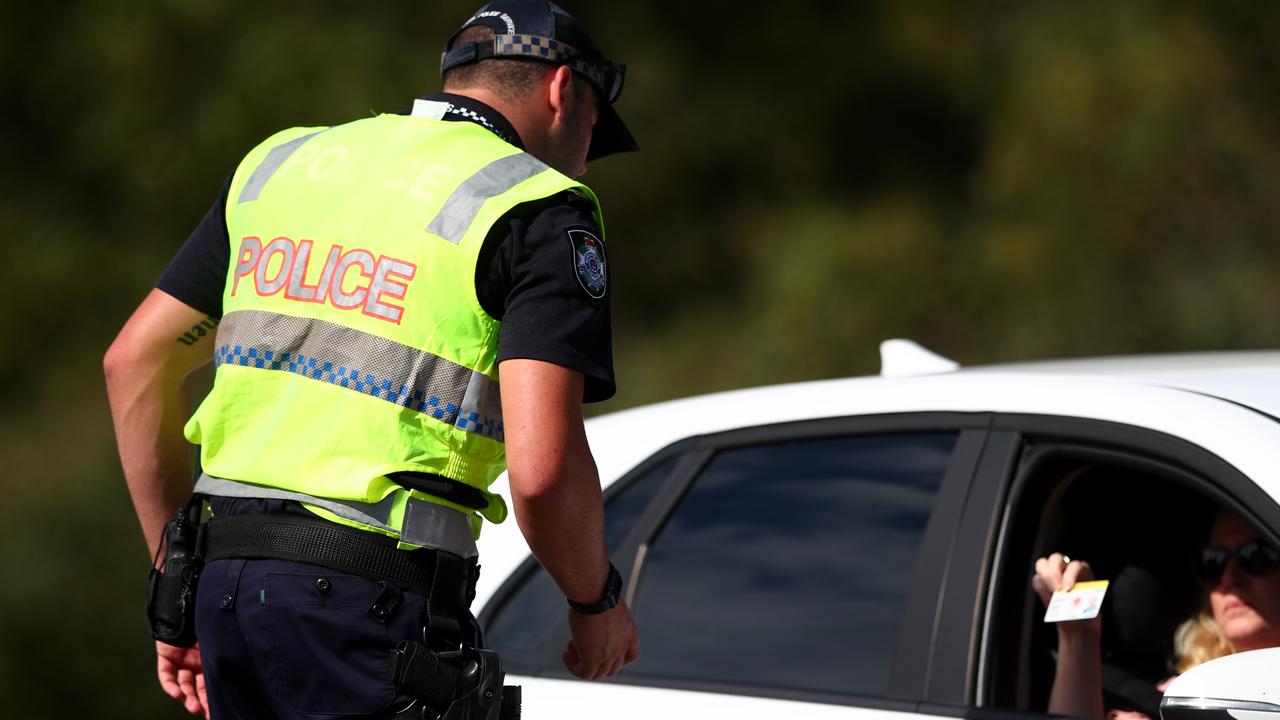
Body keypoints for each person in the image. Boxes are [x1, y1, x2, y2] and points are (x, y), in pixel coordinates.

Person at [103, 1, 640, 717]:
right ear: (565, 91)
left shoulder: (284, 162)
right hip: (371, 607)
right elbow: (542, 476)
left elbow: (135, 362)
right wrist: (595, 600)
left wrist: (178, 583)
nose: (582, 157)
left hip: (227, 588)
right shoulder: (539, 206)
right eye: (594, 131)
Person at [1033, 508, 1280, 719]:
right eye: (1213, 562)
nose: (1229, 578)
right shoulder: (1177, 695)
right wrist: (1079, 637)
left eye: (1256, 556)